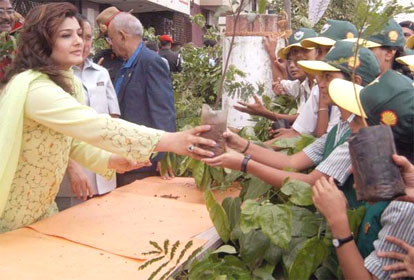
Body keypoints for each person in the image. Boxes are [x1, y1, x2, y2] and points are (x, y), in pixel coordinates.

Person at [0, 2, 215, 233]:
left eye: (80, 35)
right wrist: (171, 140)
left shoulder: (67, 82)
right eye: (66, 35)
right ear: (42, 42)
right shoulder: (36, 89)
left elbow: (70, 142)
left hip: (42, 208)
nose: (78, 42)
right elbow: (96, 126)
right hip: (13, 211)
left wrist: (109, 160)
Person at [202, 41, 380, 198]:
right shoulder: (340, 128)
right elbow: (291, 162)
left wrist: (244, 164)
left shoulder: (358, 135)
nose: (321, 83)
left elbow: (311, 183)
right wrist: (241, 144)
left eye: (329, 77)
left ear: (355, 81)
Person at [313, 72, 414, 279]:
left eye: (358, 119)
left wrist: (338, 222)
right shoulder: (397, 187)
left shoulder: (404, 208)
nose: (351, 123)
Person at [97, 9, 177, 185]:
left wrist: (163, 155)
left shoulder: (150, 62)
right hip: (126, 156)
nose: (110, 44)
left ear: (122, 36)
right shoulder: (125, 64)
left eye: (111, 38)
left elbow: (163, 110)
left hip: (145, 161)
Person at [56, 15, 122, 210]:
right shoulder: (55, 78)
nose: (82, 43)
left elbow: (114, 119)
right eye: (73, 36)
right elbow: (56, 132)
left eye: (87, 37)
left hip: (104, 171)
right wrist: (73, 168)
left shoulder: (101, 73)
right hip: (74, 174)